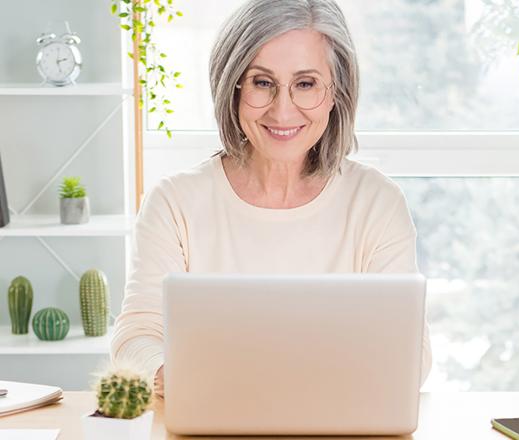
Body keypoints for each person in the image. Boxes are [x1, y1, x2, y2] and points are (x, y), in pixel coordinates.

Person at [111, 0, 432, 398]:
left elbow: (410, 352)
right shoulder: (174, 202)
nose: (283, 111)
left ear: (336, 93)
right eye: (263, 82)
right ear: (233, 87)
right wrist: (172, 374)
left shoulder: (376, 202)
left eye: (306, 83)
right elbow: (138, 335)